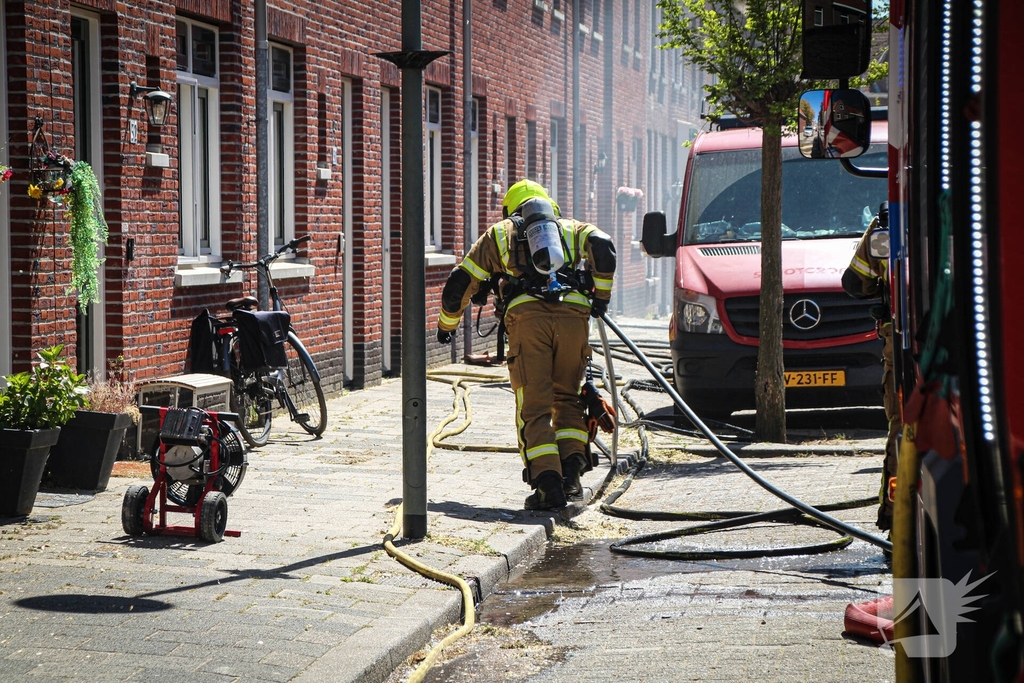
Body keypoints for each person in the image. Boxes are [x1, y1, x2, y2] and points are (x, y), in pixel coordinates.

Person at [436, 179, 617, 510]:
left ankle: (548, 486)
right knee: (567, 397)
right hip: (574, 319)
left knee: (533, 405)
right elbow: (604, 247)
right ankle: (572, 478)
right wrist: (601, 298)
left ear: (511, 209)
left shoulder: (501, 234)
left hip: (527, 321)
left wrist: (446, 326)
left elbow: (459, 282)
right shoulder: (572, 229)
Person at [842, 202, 898, 531]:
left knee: (903, 427)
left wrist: (882, 291)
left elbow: (854, 281)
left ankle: (893, 514)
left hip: (903, 344)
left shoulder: (888, 220)